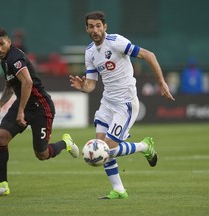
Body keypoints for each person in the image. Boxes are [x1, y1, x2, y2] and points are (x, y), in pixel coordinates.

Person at [70, 11, 175, 199]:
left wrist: (161, 83)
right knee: (101, 148)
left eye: (98, 26)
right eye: (91, 26)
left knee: (105, 149)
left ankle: (144, 147)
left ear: (105, 26)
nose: (95, 30)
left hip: (124, 104)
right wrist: (83, 87)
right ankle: (119, 190)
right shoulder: (90, 52)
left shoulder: (116, 41)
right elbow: (92, 84)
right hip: (107, 103)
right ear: (86, 28)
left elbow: (149, 55)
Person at [0, 28, 79, 197]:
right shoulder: (4, 61)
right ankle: (2, 184)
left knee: (42, 154)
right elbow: (9, 87)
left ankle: (66, 143)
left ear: (9, 42)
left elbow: (27, 83)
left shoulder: (15, 57)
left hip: (41, 107)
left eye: (1, 44)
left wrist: (20, 112)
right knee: (0, 138)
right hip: (23, 104)